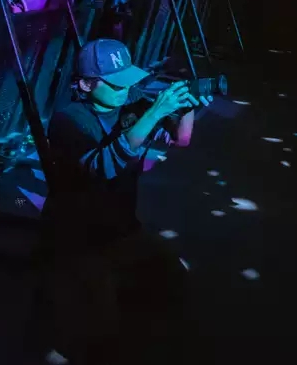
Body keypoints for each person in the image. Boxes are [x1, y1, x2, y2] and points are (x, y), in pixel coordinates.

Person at [38, 38, 211, 361]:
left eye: (128, 81)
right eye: (116, 84)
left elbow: (182, 139)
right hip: (77, 238)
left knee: (174, 278)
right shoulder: (69, 120)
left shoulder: (132, 108)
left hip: (120, 230)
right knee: (100, 333)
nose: (125, 89)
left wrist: (185, 107)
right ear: (86, 84)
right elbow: (102, 167)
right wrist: (154, 112)